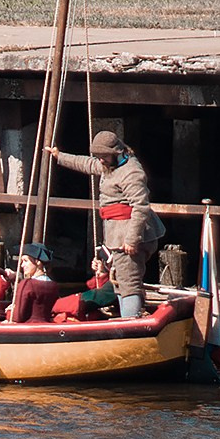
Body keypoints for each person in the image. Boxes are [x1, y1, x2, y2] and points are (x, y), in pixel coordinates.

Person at [48, 130, 164, 318]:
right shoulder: (108, 165)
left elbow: (141, 207)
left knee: (128, 283)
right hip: (116, 234)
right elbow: (88, 164)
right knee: (118, 281)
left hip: (128, 235)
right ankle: (127, 316)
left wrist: (132, 239)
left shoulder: (131, 172)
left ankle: (131, 324)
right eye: (99, 157)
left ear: (115, 152)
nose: (100, 160)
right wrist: (60, 156)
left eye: (103, 156)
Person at [7, 244, 60, 325]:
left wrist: (9, 311)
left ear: (38, 262)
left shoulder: (27, 284)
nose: (22, 265)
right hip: (47, 327)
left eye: (25, 261)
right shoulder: (54, 286)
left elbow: (17, 317)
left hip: (28, 329)